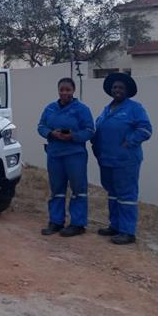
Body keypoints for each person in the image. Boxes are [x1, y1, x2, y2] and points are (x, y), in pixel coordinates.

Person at [91, 73, 152, 245]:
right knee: (112, 194)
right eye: (115, 87)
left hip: (126, 160)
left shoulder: (135, 108)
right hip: (107, 160)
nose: (117, 90)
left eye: (121, 87)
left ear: (127, 91)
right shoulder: (106, 110)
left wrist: (129, 141)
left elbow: (146, 129)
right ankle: (115, 226)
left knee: (126, 195)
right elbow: (100, 130)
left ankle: (127, 231)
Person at [37, 77, 95, 237]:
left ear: (73, 91)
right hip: (55, 153)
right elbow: (41, 126)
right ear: (58, 90)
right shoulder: (50, 108)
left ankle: (77, 224)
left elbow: (90, 130)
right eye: (62, 89)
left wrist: (73, 136)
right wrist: (50, 133)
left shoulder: (82, 109)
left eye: (68, 90)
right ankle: (55, 222)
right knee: (57, 189)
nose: (64, 93)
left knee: (78, 189)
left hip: (74, 155)